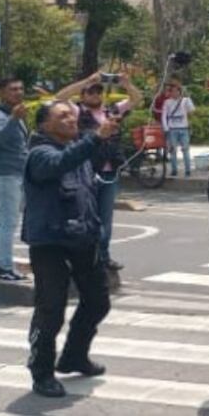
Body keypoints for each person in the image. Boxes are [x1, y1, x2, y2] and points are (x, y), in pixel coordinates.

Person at [22, 101, 121, 398]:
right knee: (51, 309)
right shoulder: (39, 153)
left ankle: (74, 355)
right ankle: (42, 372)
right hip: (49, 242)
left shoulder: (79, 148)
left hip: (83, 240)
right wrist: (94, 138)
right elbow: (57, 165)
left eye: (72, 115)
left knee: (97, 301)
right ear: (44, 125)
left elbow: (98, 174)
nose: (70, 119)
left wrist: (109, 135)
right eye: (62, 115)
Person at [56, 71, 143, 271]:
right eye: (90, 92)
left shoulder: (112, 110)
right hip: (86, 171)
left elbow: (136, 99)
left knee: (106, 217)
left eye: (98, 91)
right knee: (85, 215)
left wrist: (127, 84)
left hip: (109, 171)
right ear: (83, 95)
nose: (95, 95)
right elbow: (60, 97)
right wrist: (85, 81)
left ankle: (103, 256)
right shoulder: (77, 112)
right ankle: (85, 257)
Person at [0, 77, 29, 281]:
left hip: (12, 174)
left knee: (2, 221)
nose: (18, 92)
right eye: (12, 89)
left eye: (20, 89)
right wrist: (13, 120)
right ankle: (4, 267)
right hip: (5, 175)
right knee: (8, 222)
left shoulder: (13, 115)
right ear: (1, 92)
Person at [162, 81, 196, 177]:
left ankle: (188, 170)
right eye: (172, 91)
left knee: (185, 150)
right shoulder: (167, 102)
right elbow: (164, 116)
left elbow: (192, 110)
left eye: (176, 91)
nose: (174, 93)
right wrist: (166, 128)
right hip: (172, 129)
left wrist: (188, 98)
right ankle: (174, 170)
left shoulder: (185, 100)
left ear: (180, 92)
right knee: (173, 151)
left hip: (184, 128)